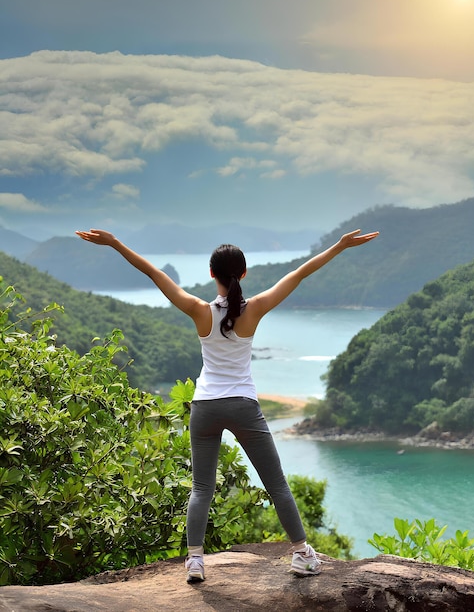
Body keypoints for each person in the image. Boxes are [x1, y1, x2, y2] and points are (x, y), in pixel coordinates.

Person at [75, 227, 379, 582]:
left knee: (201, 488)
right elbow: (299, 273)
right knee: (276, 485)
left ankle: (194, 562)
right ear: (244, 274)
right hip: (242, 406)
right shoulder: (256, 310)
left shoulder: (198, 311)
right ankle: (300, 553)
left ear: (211, 274)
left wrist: (114, 243)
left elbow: (154, 273)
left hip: (205, 406)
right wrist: (340, 246)